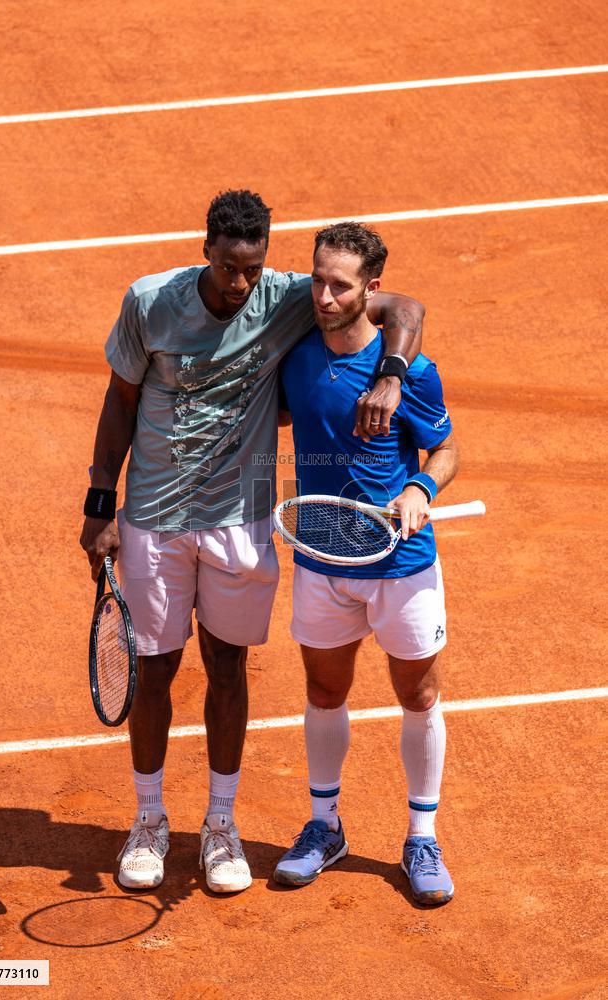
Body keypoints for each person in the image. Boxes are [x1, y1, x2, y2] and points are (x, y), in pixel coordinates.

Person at [79, 191, 426, 894]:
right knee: (155, 672)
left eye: (253, 267)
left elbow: (403, 310)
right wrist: (99, 504)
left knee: (227, 667)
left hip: (239, 520)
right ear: (207, 248)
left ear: (267, 258)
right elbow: (119, 403)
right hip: (154, 517)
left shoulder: (289, 297)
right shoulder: (150, 302)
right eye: (229, 266)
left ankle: (220, 825)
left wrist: (390, 375)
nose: (239, 283)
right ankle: (148, 821)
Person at [275, 221, 458, 906]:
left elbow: (445, 450)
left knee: (417, 694)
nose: (322, 296)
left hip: (401, 564)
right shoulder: (294, 355)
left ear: (370, 289)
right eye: (318, 279)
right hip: (323, 559)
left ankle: (421, 834)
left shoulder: (410, 369)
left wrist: (421, 488)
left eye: (339, 285)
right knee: (325, 692)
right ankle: (325, 827)